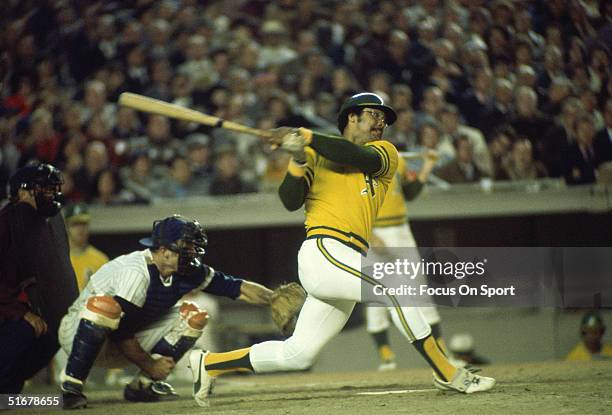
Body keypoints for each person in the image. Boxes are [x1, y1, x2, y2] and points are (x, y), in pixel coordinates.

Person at [188, 93, 496, 407]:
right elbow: (289, 201)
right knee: (393, 286)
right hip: (324, 251)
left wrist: (306, 137)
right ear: (351, 118)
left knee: (299, 354)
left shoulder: (383, 151)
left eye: (384, 118)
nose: (381, 123)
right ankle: (446, 371)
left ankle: (209, 363)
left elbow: (353, 156)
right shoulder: (315, 155)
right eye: (373, 115)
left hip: (348, 259)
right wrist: (297, 159)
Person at [57, 214, 273, 409]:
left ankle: (142, 385)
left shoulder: (184, 270)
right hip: (78, 334)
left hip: (121, 341)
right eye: (186, 246)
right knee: (105, 307)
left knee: (193, 315)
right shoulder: (136, 272)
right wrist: (151, 364)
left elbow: (236, 287)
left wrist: (274, 299)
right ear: (163, 250)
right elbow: (121, 333)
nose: (192, 252)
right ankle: (71, 386)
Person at [0, 163, 79, 393]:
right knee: (26, 328)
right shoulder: (5, 225)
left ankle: (8, 391)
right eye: (43, 189)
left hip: (20, 308)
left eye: (53, 189)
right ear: (22, 193)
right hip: (8, 312)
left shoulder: (48, 223)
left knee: (56, 330)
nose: (51, 195)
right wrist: (21, 312)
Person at [366, 149, 445, 371]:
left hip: (400, 228)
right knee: (376, 293)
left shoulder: (396, 158)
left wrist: (427, 166)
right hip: (374, 231)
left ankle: (441, 351)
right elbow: (351, 205)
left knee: (419, 289)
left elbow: (409, 193)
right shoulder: (356, 161)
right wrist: (369, 235)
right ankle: (386, 356)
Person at [64, 203, 109, 292]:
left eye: (83, 224)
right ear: (66, 227)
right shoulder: (60, 259)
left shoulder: (101, 260)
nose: (80, 228)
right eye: (75, 224)